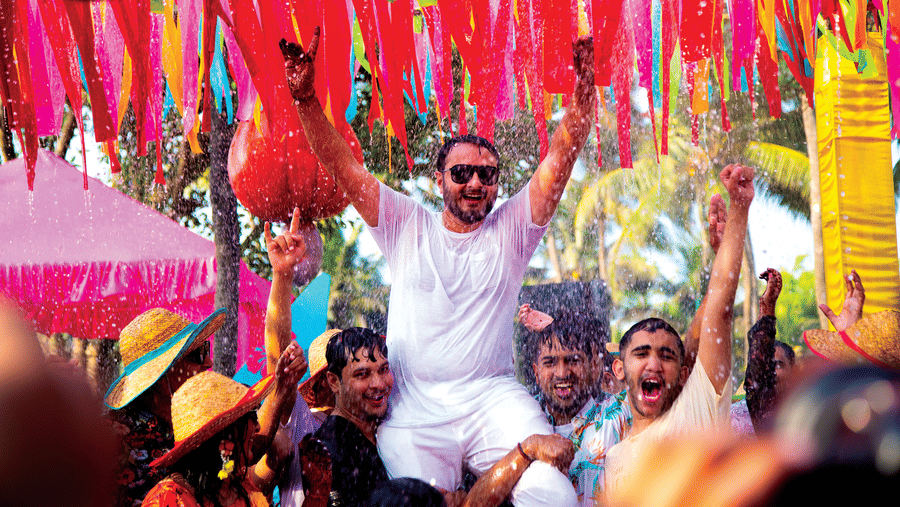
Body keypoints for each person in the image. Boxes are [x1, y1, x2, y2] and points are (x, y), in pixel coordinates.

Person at [281, 27, 596, 506]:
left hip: (494, 398)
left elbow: (562, 155)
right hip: (415, 408)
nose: (474, 183)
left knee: (552, 494)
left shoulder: (513, 230)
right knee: (411, 503)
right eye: (461, 173)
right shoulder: (407, 224)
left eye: (487, 175)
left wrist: (584, 88)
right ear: (439, 180)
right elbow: (344, 168)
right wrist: (305, 100)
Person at [604, 164, 755, 496]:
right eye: (641, 353)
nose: (654, 364)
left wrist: (739, 211)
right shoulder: (612, 458)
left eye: (667, 356)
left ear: (685, 372)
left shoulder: (698, 408)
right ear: (619, 367)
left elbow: (720, 311)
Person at [141, 357, 303, 507]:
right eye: (251, 415)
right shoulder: (166, 499)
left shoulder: (241, 488)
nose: (258, 426)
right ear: (223, 433)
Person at [106, 307, 227, 507]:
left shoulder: (193, 424)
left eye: (206, 349)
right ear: (163, 376)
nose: (208, 361)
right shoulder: (114, 440)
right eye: (197, 354)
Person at [521, 307, 631, 506]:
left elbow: (663, 374)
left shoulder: (618, 412)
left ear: (595, 367)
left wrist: (561, 330)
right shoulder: (521, 416)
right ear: (537, 373)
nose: (562, 373)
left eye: (573, 360)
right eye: (550, 362)